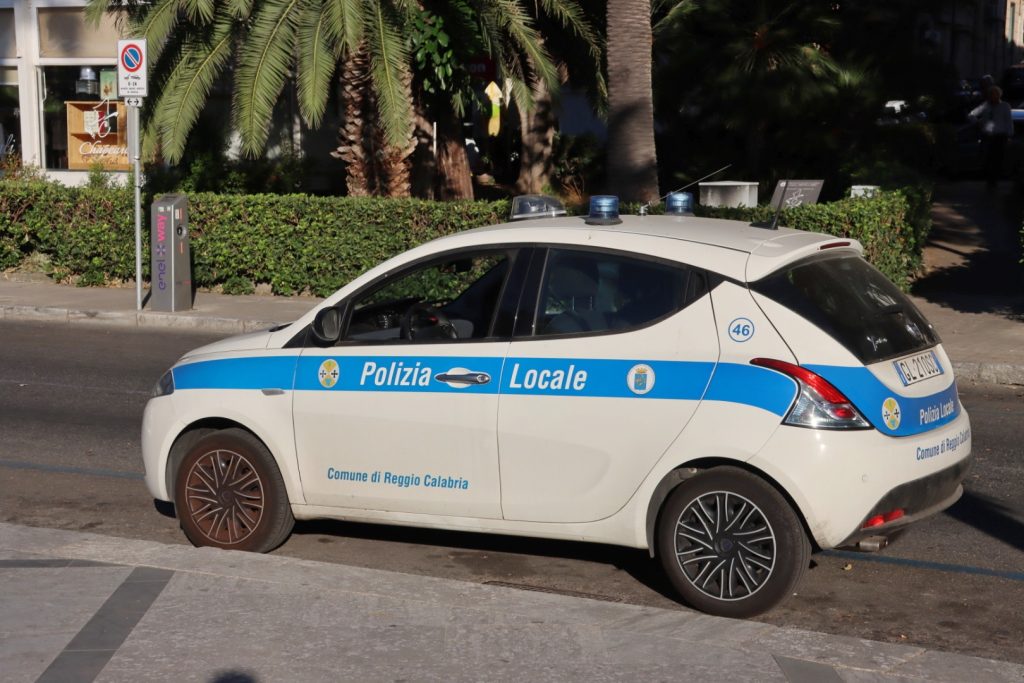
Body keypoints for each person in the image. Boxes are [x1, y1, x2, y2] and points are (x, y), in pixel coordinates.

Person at [968, 85, 1014, 187]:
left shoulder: (1005, 106)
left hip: (1000, 136)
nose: (993, 97)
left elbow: (1009, 122)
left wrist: (1009, 135)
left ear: (999, 95)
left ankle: (994, 180)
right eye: (991, 95)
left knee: (997, 159)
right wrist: (977, 122)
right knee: (988, 158)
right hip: (988, 136)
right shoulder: (985, 106)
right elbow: (971, 114)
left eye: (995, 94)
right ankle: (989, 180)